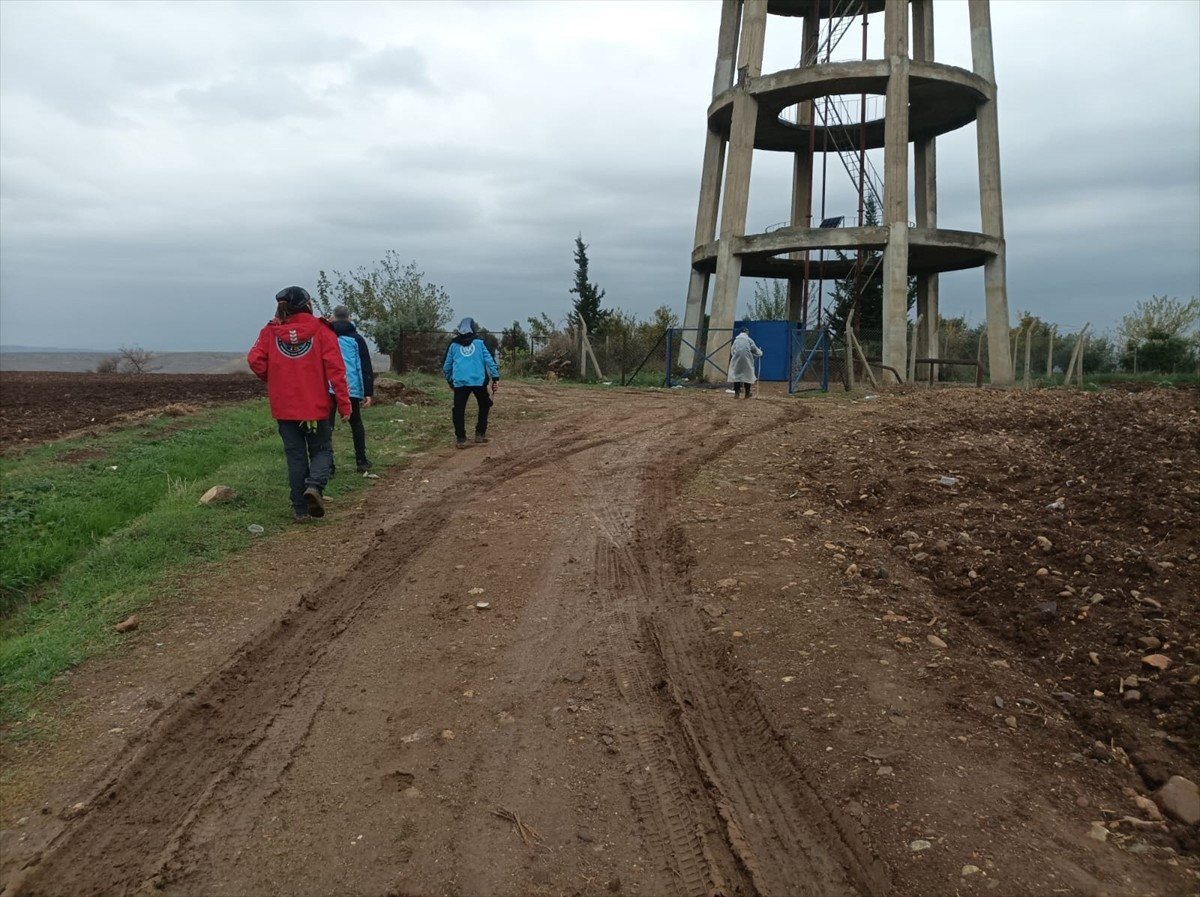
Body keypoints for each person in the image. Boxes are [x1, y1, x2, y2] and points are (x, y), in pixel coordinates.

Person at [248, 286, 352, 522]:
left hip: (285, 406)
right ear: (307, 304)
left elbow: (254, 359)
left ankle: (300, 509)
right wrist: (345, 405)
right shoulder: (322, 330)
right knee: (322, 449)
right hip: (316, 405)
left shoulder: (271, 332)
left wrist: (275, 377)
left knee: (295, 456)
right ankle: (314, 487)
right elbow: (337, 371)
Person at [326, 305, 375, 473]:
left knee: (327, 427)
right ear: (349, 318)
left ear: (333, 318)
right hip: (350, 386)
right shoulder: (356, 339)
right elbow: (364, 366)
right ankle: (361, 461)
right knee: (356, 423)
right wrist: (367, 392)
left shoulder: (326, 336)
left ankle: (328, 465)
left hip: (328, 387)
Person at [442, 317, 499, 448]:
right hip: (479, 382)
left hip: (460, 382)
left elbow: (447, 366)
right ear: (473, 328)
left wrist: (450, 380)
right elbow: (490, 361)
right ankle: (480, 434)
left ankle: (461, 439)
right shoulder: (480, 343)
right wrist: (495, 378)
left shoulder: (453, 345)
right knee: (485, 405)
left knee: (458, 409)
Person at [729, 326, 763, 398]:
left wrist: (735, 356)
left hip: (737, 359)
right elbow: (754, 349)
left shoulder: (736, 340)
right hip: (747, 360)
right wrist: (760, 353)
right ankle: (747, 393)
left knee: (736, 375)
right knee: (748, 375)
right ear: (747, 332)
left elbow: (732, 350)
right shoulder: (749, 340)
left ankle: (737, 393)